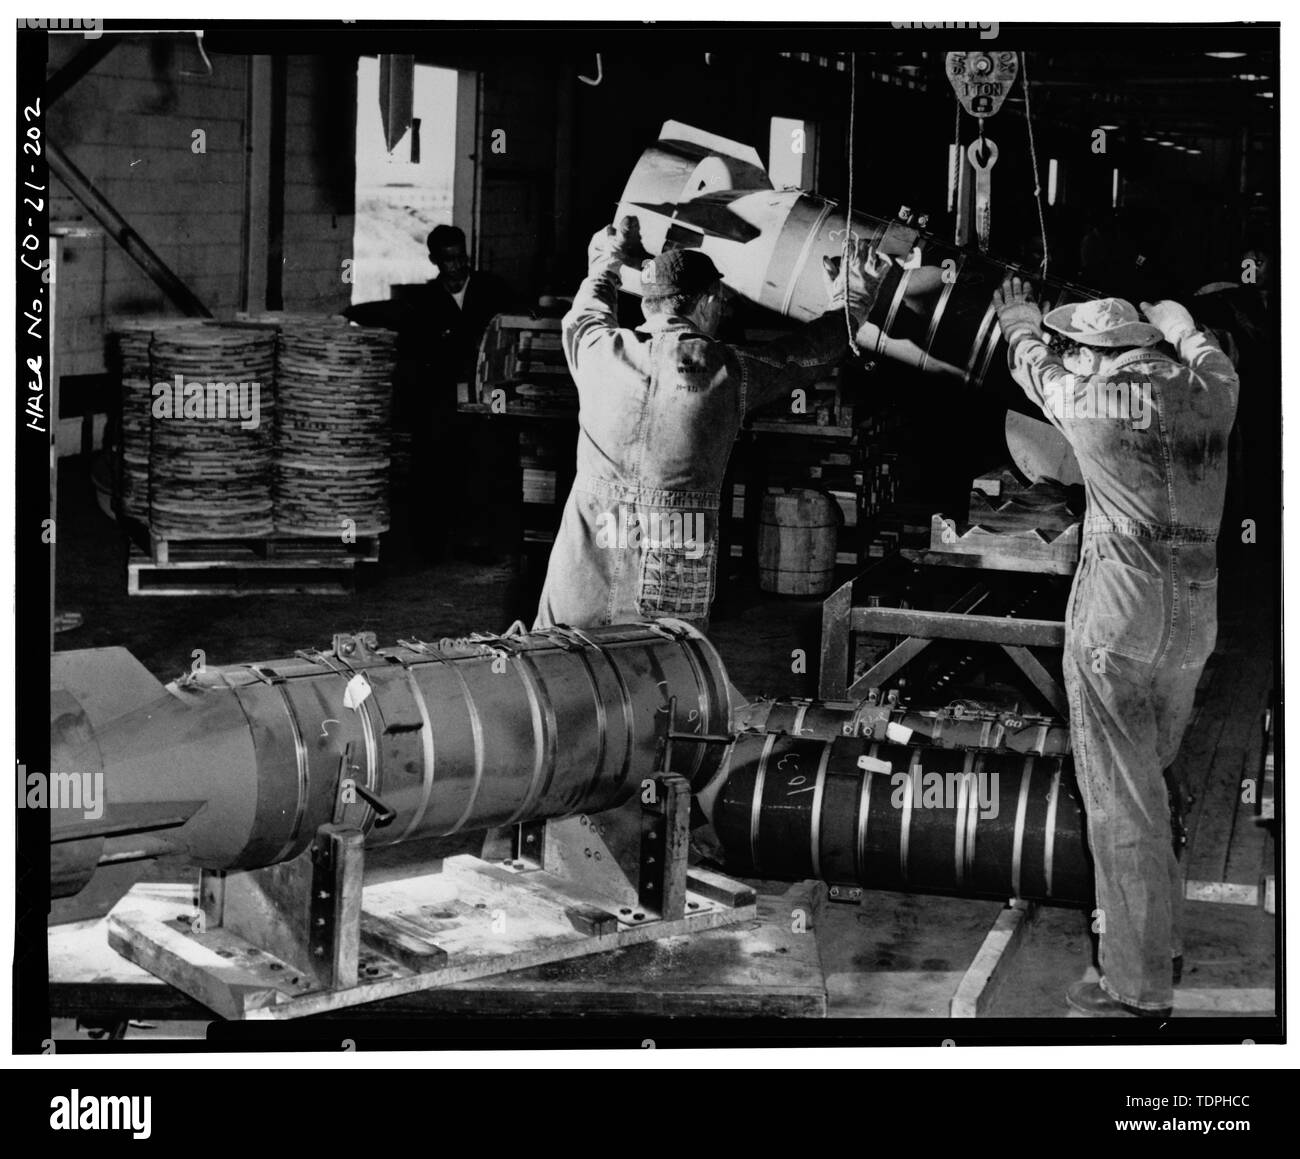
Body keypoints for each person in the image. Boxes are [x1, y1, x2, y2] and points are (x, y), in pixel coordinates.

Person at [991, 278, 1239, 1017]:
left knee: (1122, 803)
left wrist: (1019, 320)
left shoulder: (1090, 400)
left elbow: (1031, 364)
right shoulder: (1212, 394)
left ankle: (1134, 989)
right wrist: (1180, 322)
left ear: (1097, 355)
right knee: (1149, 783)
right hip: (1195, 621)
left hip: (1121, 620)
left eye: (1080, 350)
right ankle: (1157, 939)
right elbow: (1212, 357)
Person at [534, 217, 884, 633]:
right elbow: (803, 356)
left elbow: (587, 308)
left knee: (558, 668)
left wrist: (607, 261)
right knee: (670, 681)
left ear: (648, 303)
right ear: (708, 302)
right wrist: (853, 301)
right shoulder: (728, 371)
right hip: (671, 558)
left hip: (585, 556)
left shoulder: (596, 350)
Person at [346, 225, 517, 561]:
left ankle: (481, 541)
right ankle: (434, 544)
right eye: (448, 259)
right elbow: (390, 314)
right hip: (441, 398)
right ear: (435, 260)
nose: (456, 266)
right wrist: (349, 313)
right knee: (435, 467)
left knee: (483, 464)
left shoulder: (492, 289)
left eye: (461, 257)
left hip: (485, 397)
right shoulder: (425, 300)